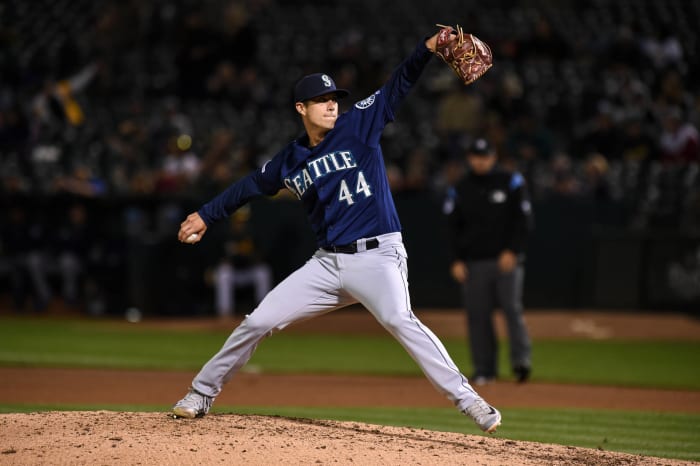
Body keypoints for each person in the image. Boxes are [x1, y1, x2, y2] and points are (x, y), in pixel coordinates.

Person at [172, 28, 502, 434]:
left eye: (333, 99)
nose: (331, 106)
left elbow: (397, 83)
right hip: (327, 264)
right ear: (300, 108)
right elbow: (248, 187)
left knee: (400, 319)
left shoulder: (359, 124)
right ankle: (200, 393)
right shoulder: (289, 159)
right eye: (321, 101)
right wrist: (206, 215)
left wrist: (426, 49)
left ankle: (470, 401)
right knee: (258, 322)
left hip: (378, 256)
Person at [443, 138, 533, 385]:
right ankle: (485, 369)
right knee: (478, 316)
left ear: (493, 156)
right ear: (470, 158)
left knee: (512, 310)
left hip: (507, 260)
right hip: (474, 262)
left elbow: (523, 221)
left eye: (485, 155)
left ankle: (521, 363)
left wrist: (513, 250)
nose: (480, 160)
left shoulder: (511, 181)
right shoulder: (459, 188)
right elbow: (451, 229)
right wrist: (456, 260)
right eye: (476, 155)